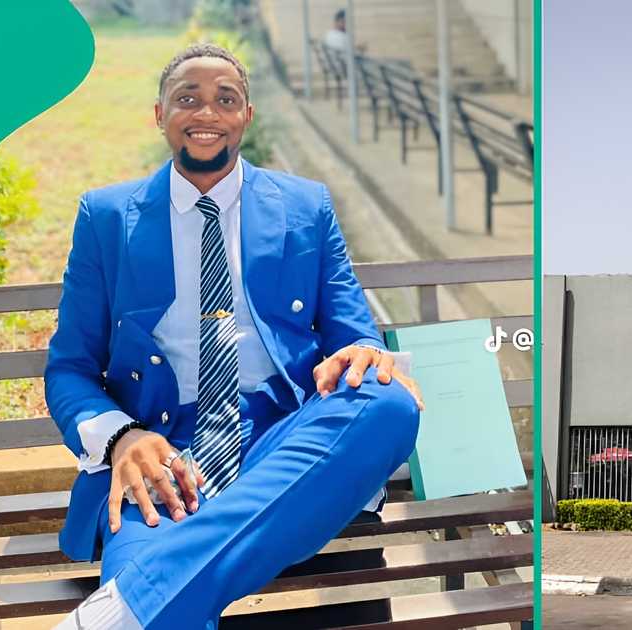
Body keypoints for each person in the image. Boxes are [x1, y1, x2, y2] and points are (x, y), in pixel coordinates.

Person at [48, 43, 425, 629]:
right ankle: (145, 598)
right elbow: (69, 368)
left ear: (247, 115)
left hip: (282, 446)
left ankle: (131, 606)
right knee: (159, 579)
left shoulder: (305, 206)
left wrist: (363, 352)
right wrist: (123, 437)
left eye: (225, 100)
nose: (207, 114)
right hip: (166, 460)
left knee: (388, 401)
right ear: (159, 114)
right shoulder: (107, 216)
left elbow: (357, 336)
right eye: (187, 99)